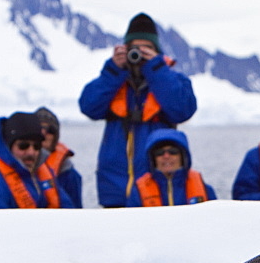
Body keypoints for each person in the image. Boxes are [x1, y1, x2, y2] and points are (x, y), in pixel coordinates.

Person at [79, 12, 197, 208]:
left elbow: (183, 110)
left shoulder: (172, 80)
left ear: (157, 52)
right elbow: (89, 107)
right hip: (114, 188)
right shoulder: (114, 80)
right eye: (135, 49)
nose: (140, 55)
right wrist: (114, 71)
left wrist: (156, 69)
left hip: (157, 190)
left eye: (147, 49)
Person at [0, 112, 76, 210]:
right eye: (23, 146)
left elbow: (68, 213)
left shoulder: (42, 174)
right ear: (8, 146)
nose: (31, 152)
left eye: (36, 146)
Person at [126, 129, 217, 207]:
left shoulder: (205, 189)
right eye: (159, 152)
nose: (166, 156)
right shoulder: (137, 192)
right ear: (152, 159)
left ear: (182, 156)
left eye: (173, 151)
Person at [35, 106, 83, 208]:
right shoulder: (22, 168)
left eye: (50, 130)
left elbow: (76, 210)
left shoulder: (68, 173)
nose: (44, 133)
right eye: (39, 128)